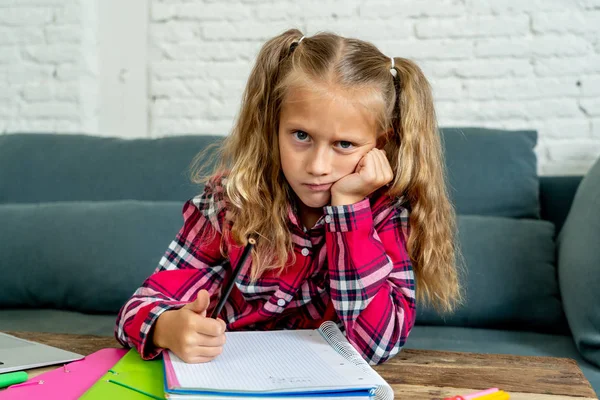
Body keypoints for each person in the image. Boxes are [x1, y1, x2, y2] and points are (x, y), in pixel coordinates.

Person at [115, 28, 461, 366]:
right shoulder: (232, 202)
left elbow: (375, 346)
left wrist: (350, 211)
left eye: (344, 144)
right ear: (274, 126)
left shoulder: (386, 215)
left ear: (379, 145)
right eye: (300, 135)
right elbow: (137, 307)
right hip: (226, 376)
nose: (317, 166)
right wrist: (165, 327)